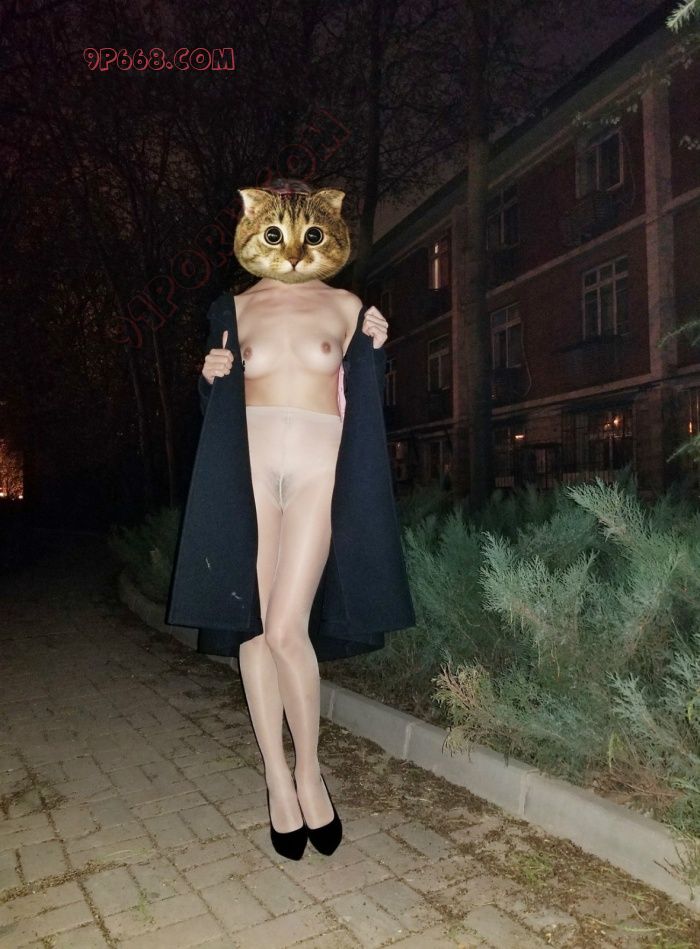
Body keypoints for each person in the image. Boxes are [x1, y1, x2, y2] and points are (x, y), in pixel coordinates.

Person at [199, 179, 391, 860]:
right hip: (249, 473)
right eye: (277, 234)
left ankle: (310, 773)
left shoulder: (347, 305)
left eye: (308, 235)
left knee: (286, 627)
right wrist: (209, 375)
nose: (291, 250)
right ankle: (278, 781)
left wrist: (377, 348)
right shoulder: (231, 308)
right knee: (257, 632)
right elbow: (216, 405)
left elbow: (364, 397)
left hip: (318, 472)